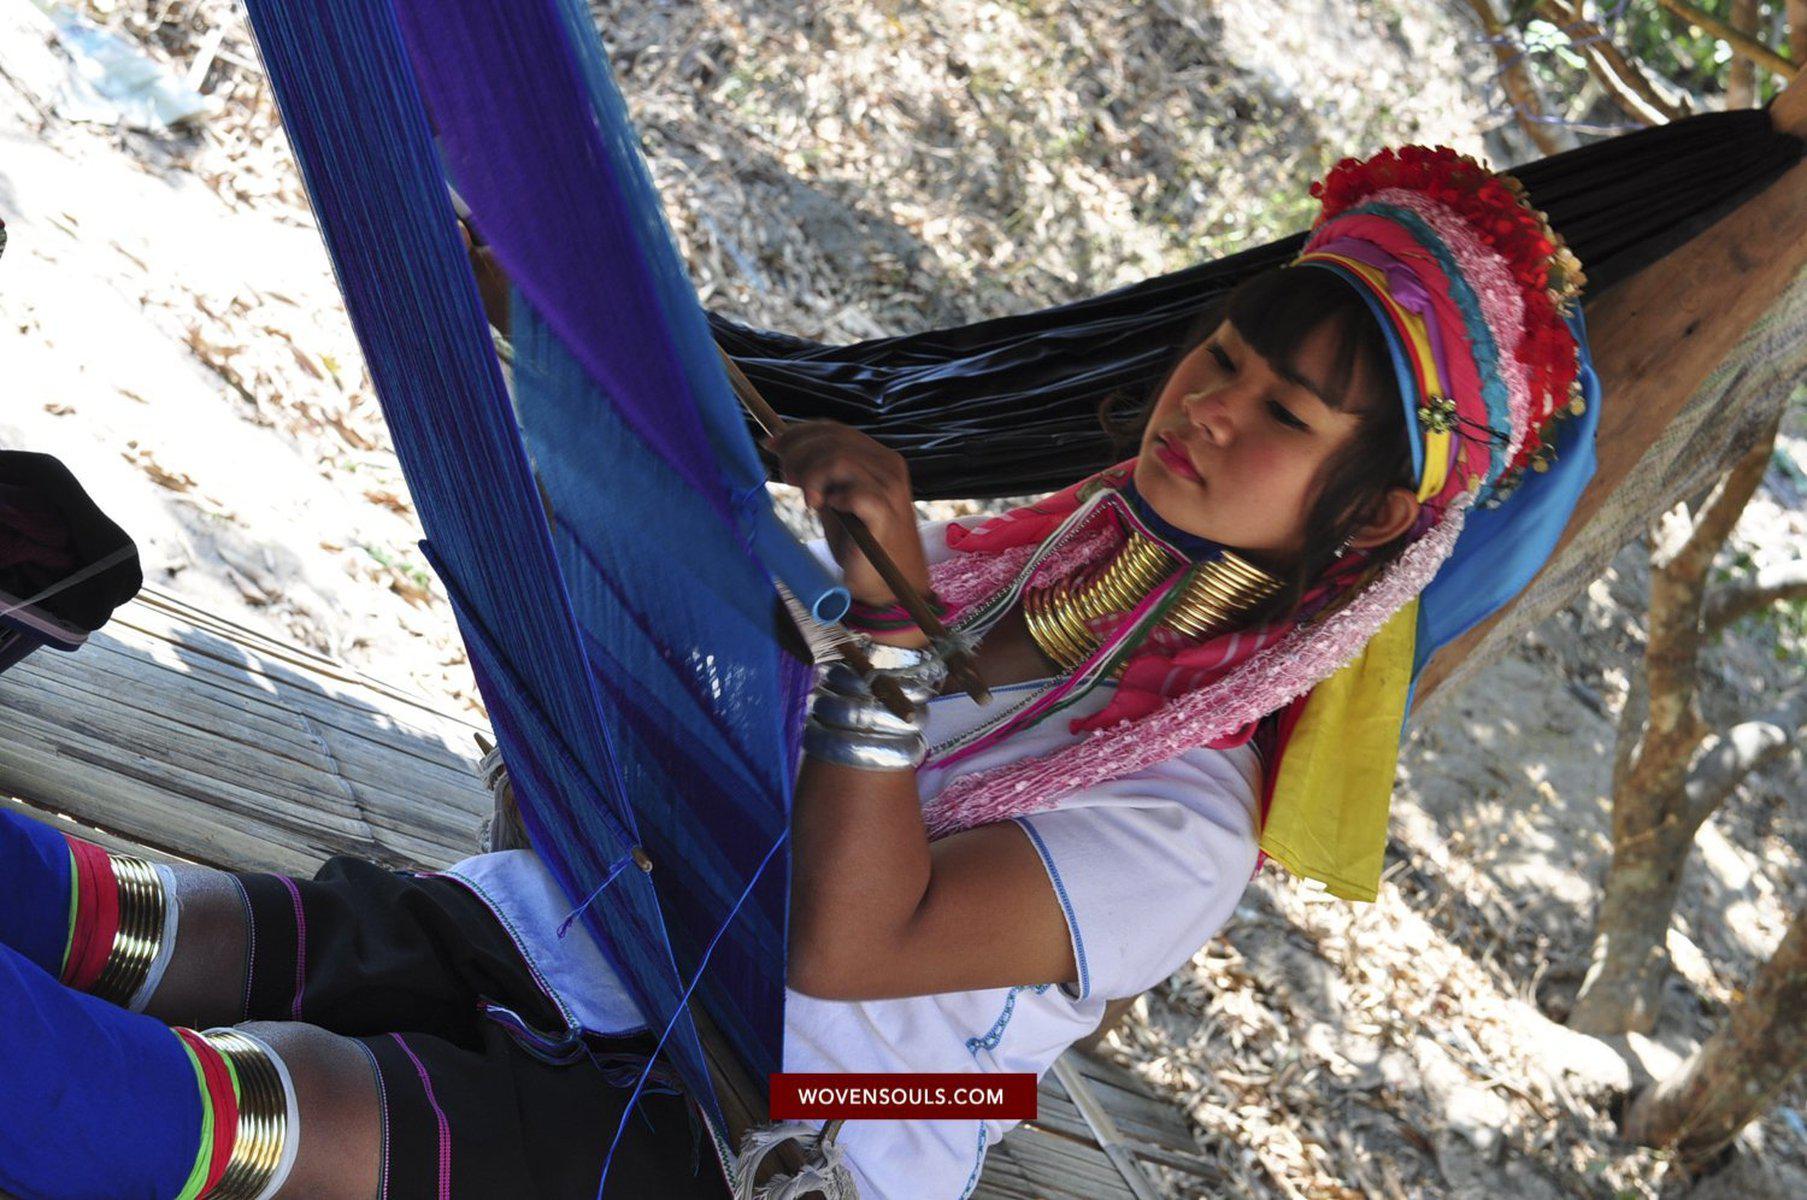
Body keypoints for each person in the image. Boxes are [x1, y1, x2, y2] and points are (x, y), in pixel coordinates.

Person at [0, 145, 1596, 1200]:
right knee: (164, 931)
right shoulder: (1030, 590)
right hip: (618, 934)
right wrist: (548, 332)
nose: (1215, 407)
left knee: (214, 1109)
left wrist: (887, 624)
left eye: (1286, 417)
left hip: (743, 1133)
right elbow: (760, 662)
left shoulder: (1184, 827)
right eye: (1230, 356)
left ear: (1372, 516)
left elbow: (848, 938)